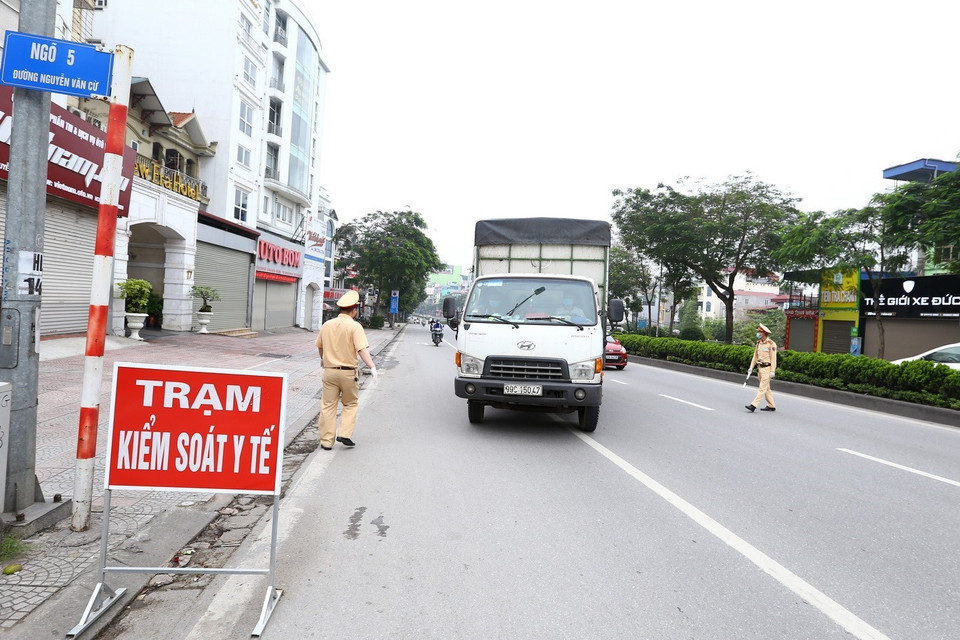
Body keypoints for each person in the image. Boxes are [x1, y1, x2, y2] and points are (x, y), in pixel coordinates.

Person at [315, 290, 377, 449]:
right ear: (354, 311)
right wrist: (372, 366)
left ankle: (326, 442)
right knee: (350, 404)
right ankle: (344, 433)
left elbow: (320, 347)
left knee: (328, 405)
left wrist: (323, 360)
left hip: (329, 372)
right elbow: (362, 349)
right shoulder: (355, 326)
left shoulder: (327, 325)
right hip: (349, 373)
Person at [745, 323, 777, 412]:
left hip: (767, 369)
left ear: (764, 333)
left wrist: (772, 371)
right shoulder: (759, 343)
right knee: (766, 388)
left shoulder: (771, 344)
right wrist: (751, 367)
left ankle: (753, 405)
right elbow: (755, 357)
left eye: (760, 332)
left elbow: (773, 358)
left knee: (762, 388)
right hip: (760, 369)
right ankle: (771, 405)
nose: (758, 333)